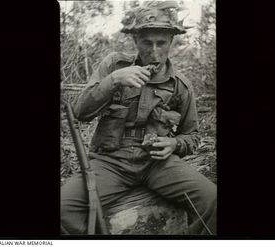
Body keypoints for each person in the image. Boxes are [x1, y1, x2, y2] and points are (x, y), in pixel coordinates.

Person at [61, 0, 216, 235]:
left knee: (211, 200)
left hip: (158, 164)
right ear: (135, 40)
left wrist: (174, 143)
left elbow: (192, 136)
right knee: (63, 208)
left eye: (161, 43)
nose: (154, 51)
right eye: (147, 42)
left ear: (171, 42)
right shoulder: (114, 65)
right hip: (111, 161)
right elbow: (80, 112)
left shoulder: (180, 85)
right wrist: (113, 81)